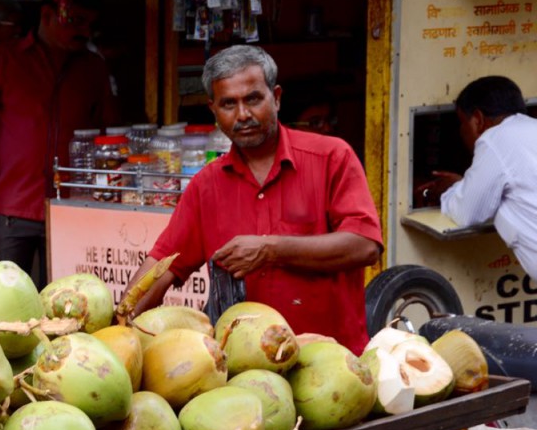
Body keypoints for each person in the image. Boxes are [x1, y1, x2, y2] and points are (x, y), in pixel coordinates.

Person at [124, 45, 382, 353]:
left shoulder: (331, 157)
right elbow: (162, 266)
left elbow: (366, 245)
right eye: (228, 104)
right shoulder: (206, 186)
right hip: (245, 370)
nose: (243, 114)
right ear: (213, 110)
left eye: (253, 99)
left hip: (332, 365)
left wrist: (270, 249)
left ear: (277, 98)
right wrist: (120, 325)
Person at [0, 0, 119, 289]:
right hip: (12, 209)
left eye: (89, 24)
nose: (85, 31)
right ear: (47, 15)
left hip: (73, 209)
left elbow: (107, 134)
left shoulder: (93, 68)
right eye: (76, 20)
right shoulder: (3, 59)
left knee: (68, 305)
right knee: (3, 301)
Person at [418, 76, 537, 278]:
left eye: (462, 123)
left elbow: (467, 212)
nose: (461, 131)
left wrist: (448, 190)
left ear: (478, 119)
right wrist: (463, 185)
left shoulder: (495, 139)